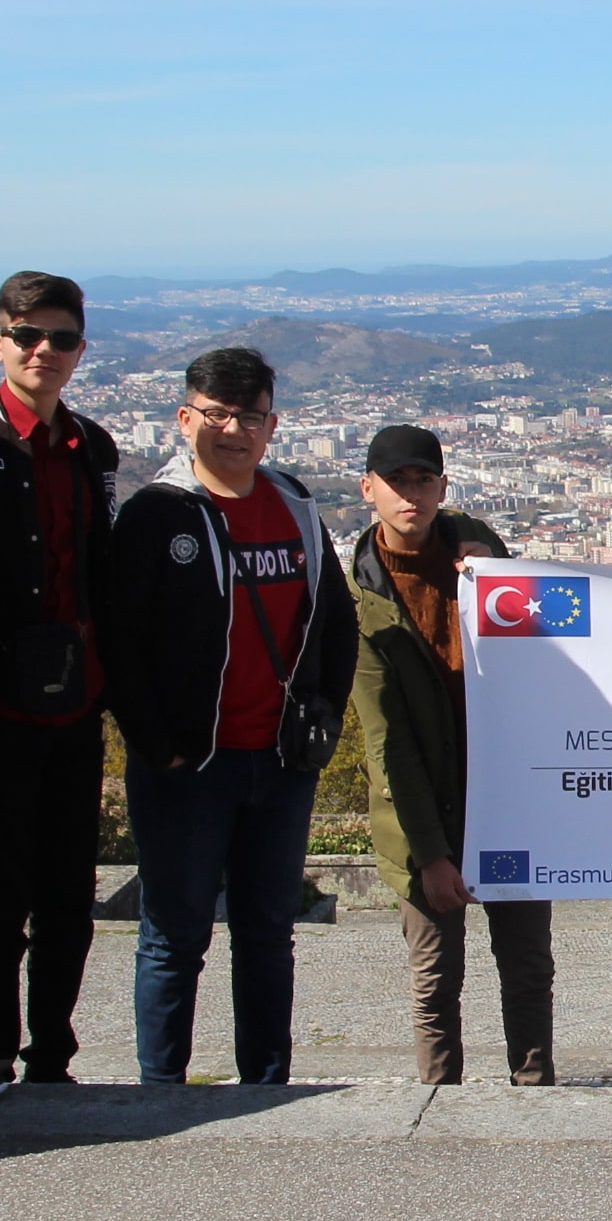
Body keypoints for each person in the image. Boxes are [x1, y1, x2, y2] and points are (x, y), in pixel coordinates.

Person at [101, 348, 357, 1085]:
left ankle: (265, 1085)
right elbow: (120, 640)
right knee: (174, 936)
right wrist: (158, 747)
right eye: (217, 415)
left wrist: (323, 718)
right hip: (189, 766)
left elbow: (334, 622)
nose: (233, 431)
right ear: (187, 419)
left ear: (272, 426)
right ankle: (161, 1089)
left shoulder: (295, 507)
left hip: (280, 762)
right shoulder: (158, 515)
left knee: (268, 934)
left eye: (250, 417)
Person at [0, 271, 119, 1085]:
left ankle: (51, 1053)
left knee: (68, 894)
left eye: (63, 338)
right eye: (27, 335)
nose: (45, 350)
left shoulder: (93, 448)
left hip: (75, 702)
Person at [347, 424, 556, 1085]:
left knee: (527, 969)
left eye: (422, 480)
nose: (410, 495)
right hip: (421, 812)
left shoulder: (478, 556)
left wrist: (496, 564)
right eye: (396, 481)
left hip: (507, 804)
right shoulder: (361, 601)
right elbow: (387, 741)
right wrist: (430, 855)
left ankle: (537, 1095)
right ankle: (440, 1107)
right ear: (369, 489)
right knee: (436, 980)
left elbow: (548, 646)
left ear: (442, 487)